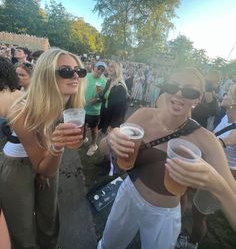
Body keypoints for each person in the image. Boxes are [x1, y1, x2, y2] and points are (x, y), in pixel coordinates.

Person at [97, 67, 236, 249]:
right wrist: (109, 140)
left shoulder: (206, 140)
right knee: (108, 245)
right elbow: (102, 149)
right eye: (172, 86)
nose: (178, 94)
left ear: (198, 98)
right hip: (128, 194)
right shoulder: (143, 115)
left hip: (164, 213)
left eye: (189, 90)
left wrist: (215, 184)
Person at [0, 48, 87, 248]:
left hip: (46, 156)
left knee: (49, 218)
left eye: (79, 71)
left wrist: (50, 157)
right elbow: (41, 165)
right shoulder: (23, 110)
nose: (75, 76)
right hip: (17, 166)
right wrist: (56, 148)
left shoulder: (70, 103)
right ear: (46, 74)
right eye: (66, 71)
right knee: (23, 228)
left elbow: (46, 164)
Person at [176, 83, 236, 249]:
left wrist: (222, 142)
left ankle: (192, 243)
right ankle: (177, 222)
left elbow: (223, 142)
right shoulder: (226, 117)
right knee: (181, 188)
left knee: (198, 213)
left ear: (234, 103)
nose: (224, 95)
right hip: (205, 165)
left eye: (229, 93)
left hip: (222, 176)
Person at [84, 61, 107, 156]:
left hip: (94, 111)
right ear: (94, 67)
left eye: (102, 69)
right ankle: (84, 138)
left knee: (94, 129)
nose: (100, 71)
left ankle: (94, 145)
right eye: (98, 68)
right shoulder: (86, 76)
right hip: (83, 108)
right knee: (83, 126)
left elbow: (103, 97)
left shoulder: (103, 82)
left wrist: (97, 100)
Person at [99, 61, 128, 134]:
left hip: (112, 119)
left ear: (117, 69)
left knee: (110, 140)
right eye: (109, 66)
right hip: (105, 114)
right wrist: (101, 94)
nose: (109, 68)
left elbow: (121, 110)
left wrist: (113, 125)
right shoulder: (109, 81)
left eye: (112, 66)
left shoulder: (120, 87)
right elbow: (106, 99)